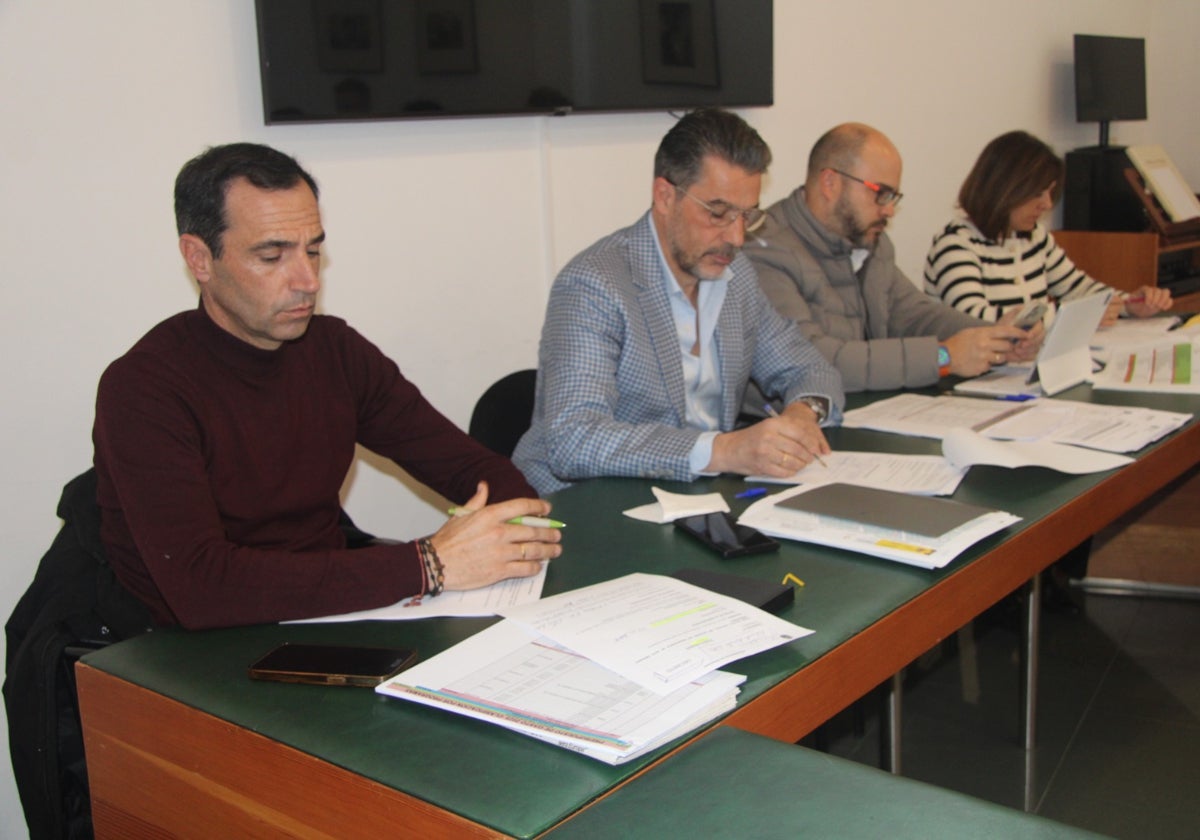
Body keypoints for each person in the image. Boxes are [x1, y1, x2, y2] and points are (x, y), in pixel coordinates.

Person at [93, 143, 562, 630]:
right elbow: (204, 588)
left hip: (322, 615)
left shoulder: (335, 350)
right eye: (272, 255)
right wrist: (429, 564)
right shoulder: (144, 389)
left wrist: (508, 523)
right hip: (187, 647)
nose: (307, 281)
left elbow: (469, 466)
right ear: (200, 258)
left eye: (313, 250)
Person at [512, 108, 844, 495]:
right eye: (719, 213)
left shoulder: (736, 280)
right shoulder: (595, 284)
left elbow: (812, 370)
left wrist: (804, 415)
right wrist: (724, 450)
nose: (736, 237)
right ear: (665, 196)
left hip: (693, 500)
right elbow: (574, 441)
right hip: (585, 509)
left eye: (748, 216)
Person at [747, 123, 1040, 392]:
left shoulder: (872, 243)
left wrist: (995, 337)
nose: (888, 210)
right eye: (881, 194)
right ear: (830, 183)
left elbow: (914, 314)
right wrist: (943, 357)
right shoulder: (764, 250)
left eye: (893, 198)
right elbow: (811, 360)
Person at [924, 130, 1172, 326]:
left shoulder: (1034, 237)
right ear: (1004, 189)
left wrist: (1128, 303)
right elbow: (974, 319)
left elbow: (1078, 289)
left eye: (1051, 192)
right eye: (1037, 193)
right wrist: (1075, 316)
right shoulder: (956, 244)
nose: (1047, 204)